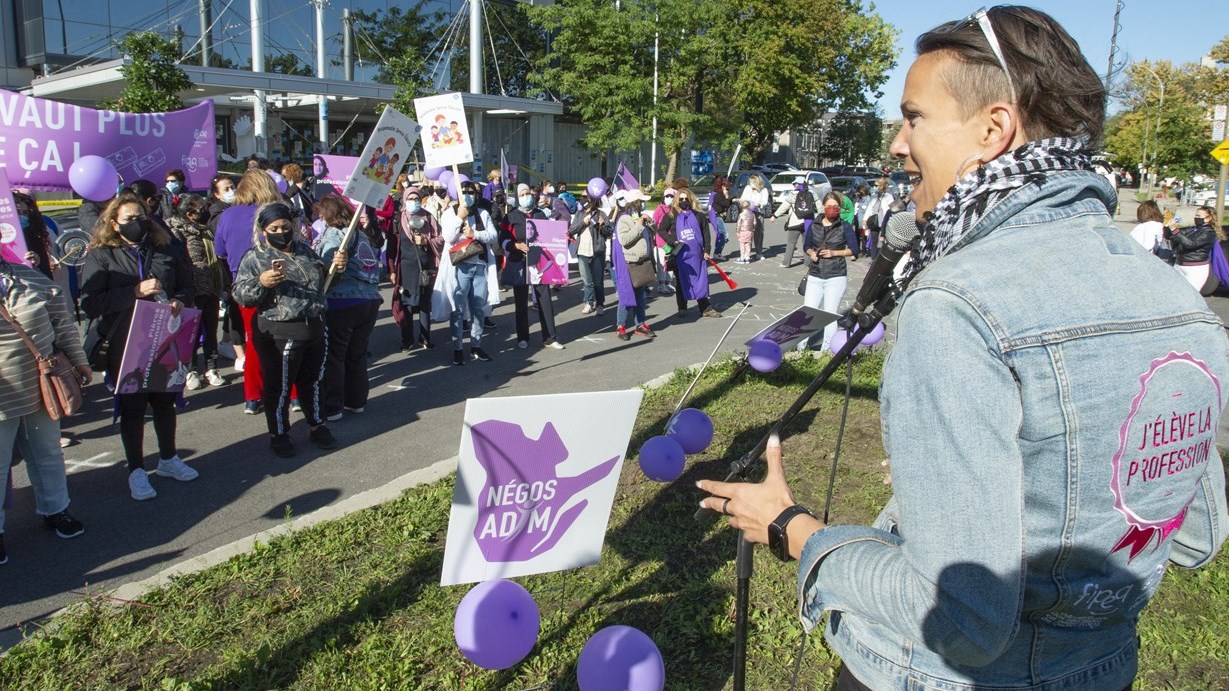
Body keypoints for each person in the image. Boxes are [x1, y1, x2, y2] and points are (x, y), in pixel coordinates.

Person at [697, 7, 1229, 690]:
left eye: (913, 116)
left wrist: (790, 529)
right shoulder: (1174, 299)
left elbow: (961, 619)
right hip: (1098, 668)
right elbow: (1190, 534)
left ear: (992, 129)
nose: (895, 142)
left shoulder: (955, 305)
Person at [80, 192, 199, 501]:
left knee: (164, 400)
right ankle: (136, 469)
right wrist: (133, 291)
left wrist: (179, 300)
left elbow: (187, 285)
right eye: (129, 220)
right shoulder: (101, 254)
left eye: (141, 217)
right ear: (114, 223)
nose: (137, 224)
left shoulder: (166, 248)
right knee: (133, 407)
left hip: (164, 337)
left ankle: (169, 458)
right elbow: (90, 303)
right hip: (125, 340)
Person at [0, 257, 91, 563]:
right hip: (3, 393)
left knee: (47, 451)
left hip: (42, 383)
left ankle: (56, 510)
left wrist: (79, 361)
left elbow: (62, 322)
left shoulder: (28, 277)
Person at [231, 203, 339, 457]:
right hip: (279, 332)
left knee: (312, 382)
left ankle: (317, 424)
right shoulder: (255, 257)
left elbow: (325, 285)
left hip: (314, 327)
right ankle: (279, 433)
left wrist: (337, 269)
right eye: (274, 228)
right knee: (279, 386)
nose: (281, 232)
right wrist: (261, 282)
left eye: (285, 227)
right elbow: (240, 295)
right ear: (263, 230)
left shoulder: (306, 252)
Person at [214, 169, 284, 414]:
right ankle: (293, 394)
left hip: (243, 288)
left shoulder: (228, 216)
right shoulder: (277, 213)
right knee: (288, 341)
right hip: (280, 283)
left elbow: (220, 251)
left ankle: (253, 395)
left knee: (254, 342)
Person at [314, 194, 382, 421]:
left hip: (342, 300)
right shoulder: (361, 235)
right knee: (357, 354)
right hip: (369, 300)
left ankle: (333, 406)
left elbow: (328, 262)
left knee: (335, 355)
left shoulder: (336, 234)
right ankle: (356, 400)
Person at [166, 194, 226, 390]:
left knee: (210, 329)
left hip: (211, 286)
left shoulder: (205, 229)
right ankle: (190, 369)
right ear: (190, 213)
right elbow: (179, 262)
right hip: (191, 289)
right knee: (190, 332)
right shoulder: (175, 231)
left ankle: (211, 367)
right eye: (199, 209)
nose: (204, 212)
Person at [438, 180, 499, 365]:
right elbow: (448, 236)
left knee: (478, 308)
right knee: (457, 309)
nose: (467, 194)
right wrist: (459, 217)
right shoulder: (450, 212)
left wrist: (475, 234)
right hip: (459, 267)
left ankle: (476, 345)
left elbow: (493, 236)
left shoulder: (483, 213)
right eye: (463, 191)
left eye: (471, 191)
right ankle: (458, 348)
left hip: (480, 266)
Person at [504, 184, 565, 350]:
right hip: (520, 263)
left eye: (528, 193)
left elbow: (549, 237)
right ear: (517, 197)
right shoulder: (511, 216)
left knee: (545, 299)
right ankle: (522, 337)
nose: (526, 196)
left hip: (539, 264)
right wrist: (515, 246)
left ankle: (550, 337)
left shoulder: (540, 214)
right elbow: (502, 240)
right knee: (521, 301)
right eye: (522, 194)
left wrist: (560, 237)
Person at [801, 192, 858, 351]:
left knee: (829, 315)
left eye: (835, 207)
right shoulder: (814, 224)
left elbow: (854, 249)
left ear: (839, 208)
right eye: (829, 206)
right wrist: (811, 253)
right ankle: (800, 349)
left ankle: (826, 351)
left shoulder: (844, 226)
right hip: (815, 274)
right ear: (823, 207)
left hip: (836, 275)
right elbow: (806, 245)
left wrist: (835, 253)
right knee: (807, 313)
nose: (832, 209)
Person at [392, 186, 443, 351]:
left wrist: (427, 241)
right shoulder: (398, 219)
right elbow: (393, 248)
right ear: (404, 200)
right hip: (406, 269)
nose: (414, 202)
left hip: (426, 267)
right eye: (410, 199)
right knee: (406, 304)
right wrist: (391, 270)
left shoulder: (428, 217)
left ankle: (425, 338)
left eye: (416, 199)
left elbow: (440, 238)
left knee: (424, 304)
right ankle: (407, 340)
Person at [657, 187, 720, 318]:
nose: (684, 201)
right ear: (676, 200)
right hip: (680, 255)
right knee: (681, 281)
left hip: (696, 255)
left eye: (686, 199)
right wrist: (673, 241)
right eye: (681, 199)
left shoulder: (699, 215)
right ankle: (682, 307)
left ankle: (705, 308)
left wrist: (707, 250)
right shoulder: (671, 215)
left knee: (700, 280)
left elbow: (706, 234)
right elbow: (661, 230)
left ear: (691, 200)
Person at [611, 188, 657, 340]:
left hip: (642, 261)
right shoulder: (624, 219)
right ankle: (620, 325)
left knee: (640, 296)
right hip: (629, 263)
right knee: (627, 295)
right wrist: (638, 225)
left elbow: (653, 233)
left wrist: (650, 223)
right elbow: (624, 240)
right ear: (635, 203)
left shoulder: (639, 217)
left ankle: (640, 324)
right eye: (641, 201)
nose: (643, 204)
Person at [569, 195, 612, 315]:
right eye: (583, 198)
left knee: (598, 281)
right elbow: (571, 230)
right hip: (582, 251)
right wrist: (583, 222)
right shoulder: (579, 214)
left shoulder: (601, 214)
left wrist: (601, 225)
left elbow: (608, 233)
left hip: (597, 252)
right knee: (587, 281)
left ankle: (600, 304)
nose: (586, 201)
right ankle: (589, 302)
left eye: (588, 199)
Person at [1166, 205, 1218, 293]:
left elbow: (1190, 244)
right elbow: (1172, 237)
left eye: (1199, 216)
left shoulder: (1208, 233)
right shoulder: (1193, 229)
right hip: (1179, 265)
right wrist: (1168, 227)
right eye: (1195, 215)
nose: (1196, 218)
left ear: (1208, 218)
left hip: (1195, 269)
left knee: (1190, 295)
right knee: (1175, 294)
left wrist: (1175, 230)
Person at [776, 181, 816, 268]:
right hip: (808, 222)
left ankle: (786, 263)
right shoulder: (811, 194)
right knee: (807, 243)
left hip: (795, 222)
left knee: (791, 243)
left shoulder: (793, 195)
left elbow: (784, 207)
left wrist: (775, 215)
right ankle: (808, 262)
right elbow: (819, 206)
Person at [862, 178, 895, 260]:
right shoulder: (874, 196)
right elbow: (869, 208)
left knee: (884, 240)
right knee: (874, 240)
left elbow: (890, 209)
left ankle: (884, 257)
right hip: (874, 221)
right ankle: (873, 258)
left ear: (882, 186)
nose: (875, 187)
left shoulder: (888, 196)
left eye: (877, 186)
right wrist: (865, 220)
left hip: (884, 221)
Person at [738, 174, 770, 260]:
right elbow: (742, 199)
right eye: (750, 182)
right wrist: (742, 202)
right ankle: (745, 253)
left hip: (758, 213)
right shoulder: (748, 188)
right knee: (747, 233)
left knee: (758, 233)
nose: (751, 184)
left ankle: (759, 252)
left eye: (753, 182)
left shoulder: (764, 190)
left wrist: (758, 204)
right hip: (747, 213)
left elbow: (765, 202)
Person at [707, 175, 732, 259]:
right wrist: (727, 196)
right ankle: (717, 253)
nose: (727, 189)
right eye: (726, 187)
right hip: (716, 216)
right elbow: (725, 204)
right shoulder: (717, 195)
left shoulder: (715, 194)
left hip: (716, 215)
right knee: (723, 234)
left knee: (722, 234)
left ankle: (718, 252)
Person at [735, 200, 756, 264]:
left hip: (743, 231)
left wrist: (737, 231)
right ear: (749, 206)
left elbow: (739, 224)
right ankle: (747, 257)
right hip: (750, 230)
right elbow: (755, 222)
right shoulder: (752, 214)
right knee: (748, 244)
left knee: (742, 244)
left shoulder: (741, 215)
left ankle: (742, 257)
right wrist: (753, 228)